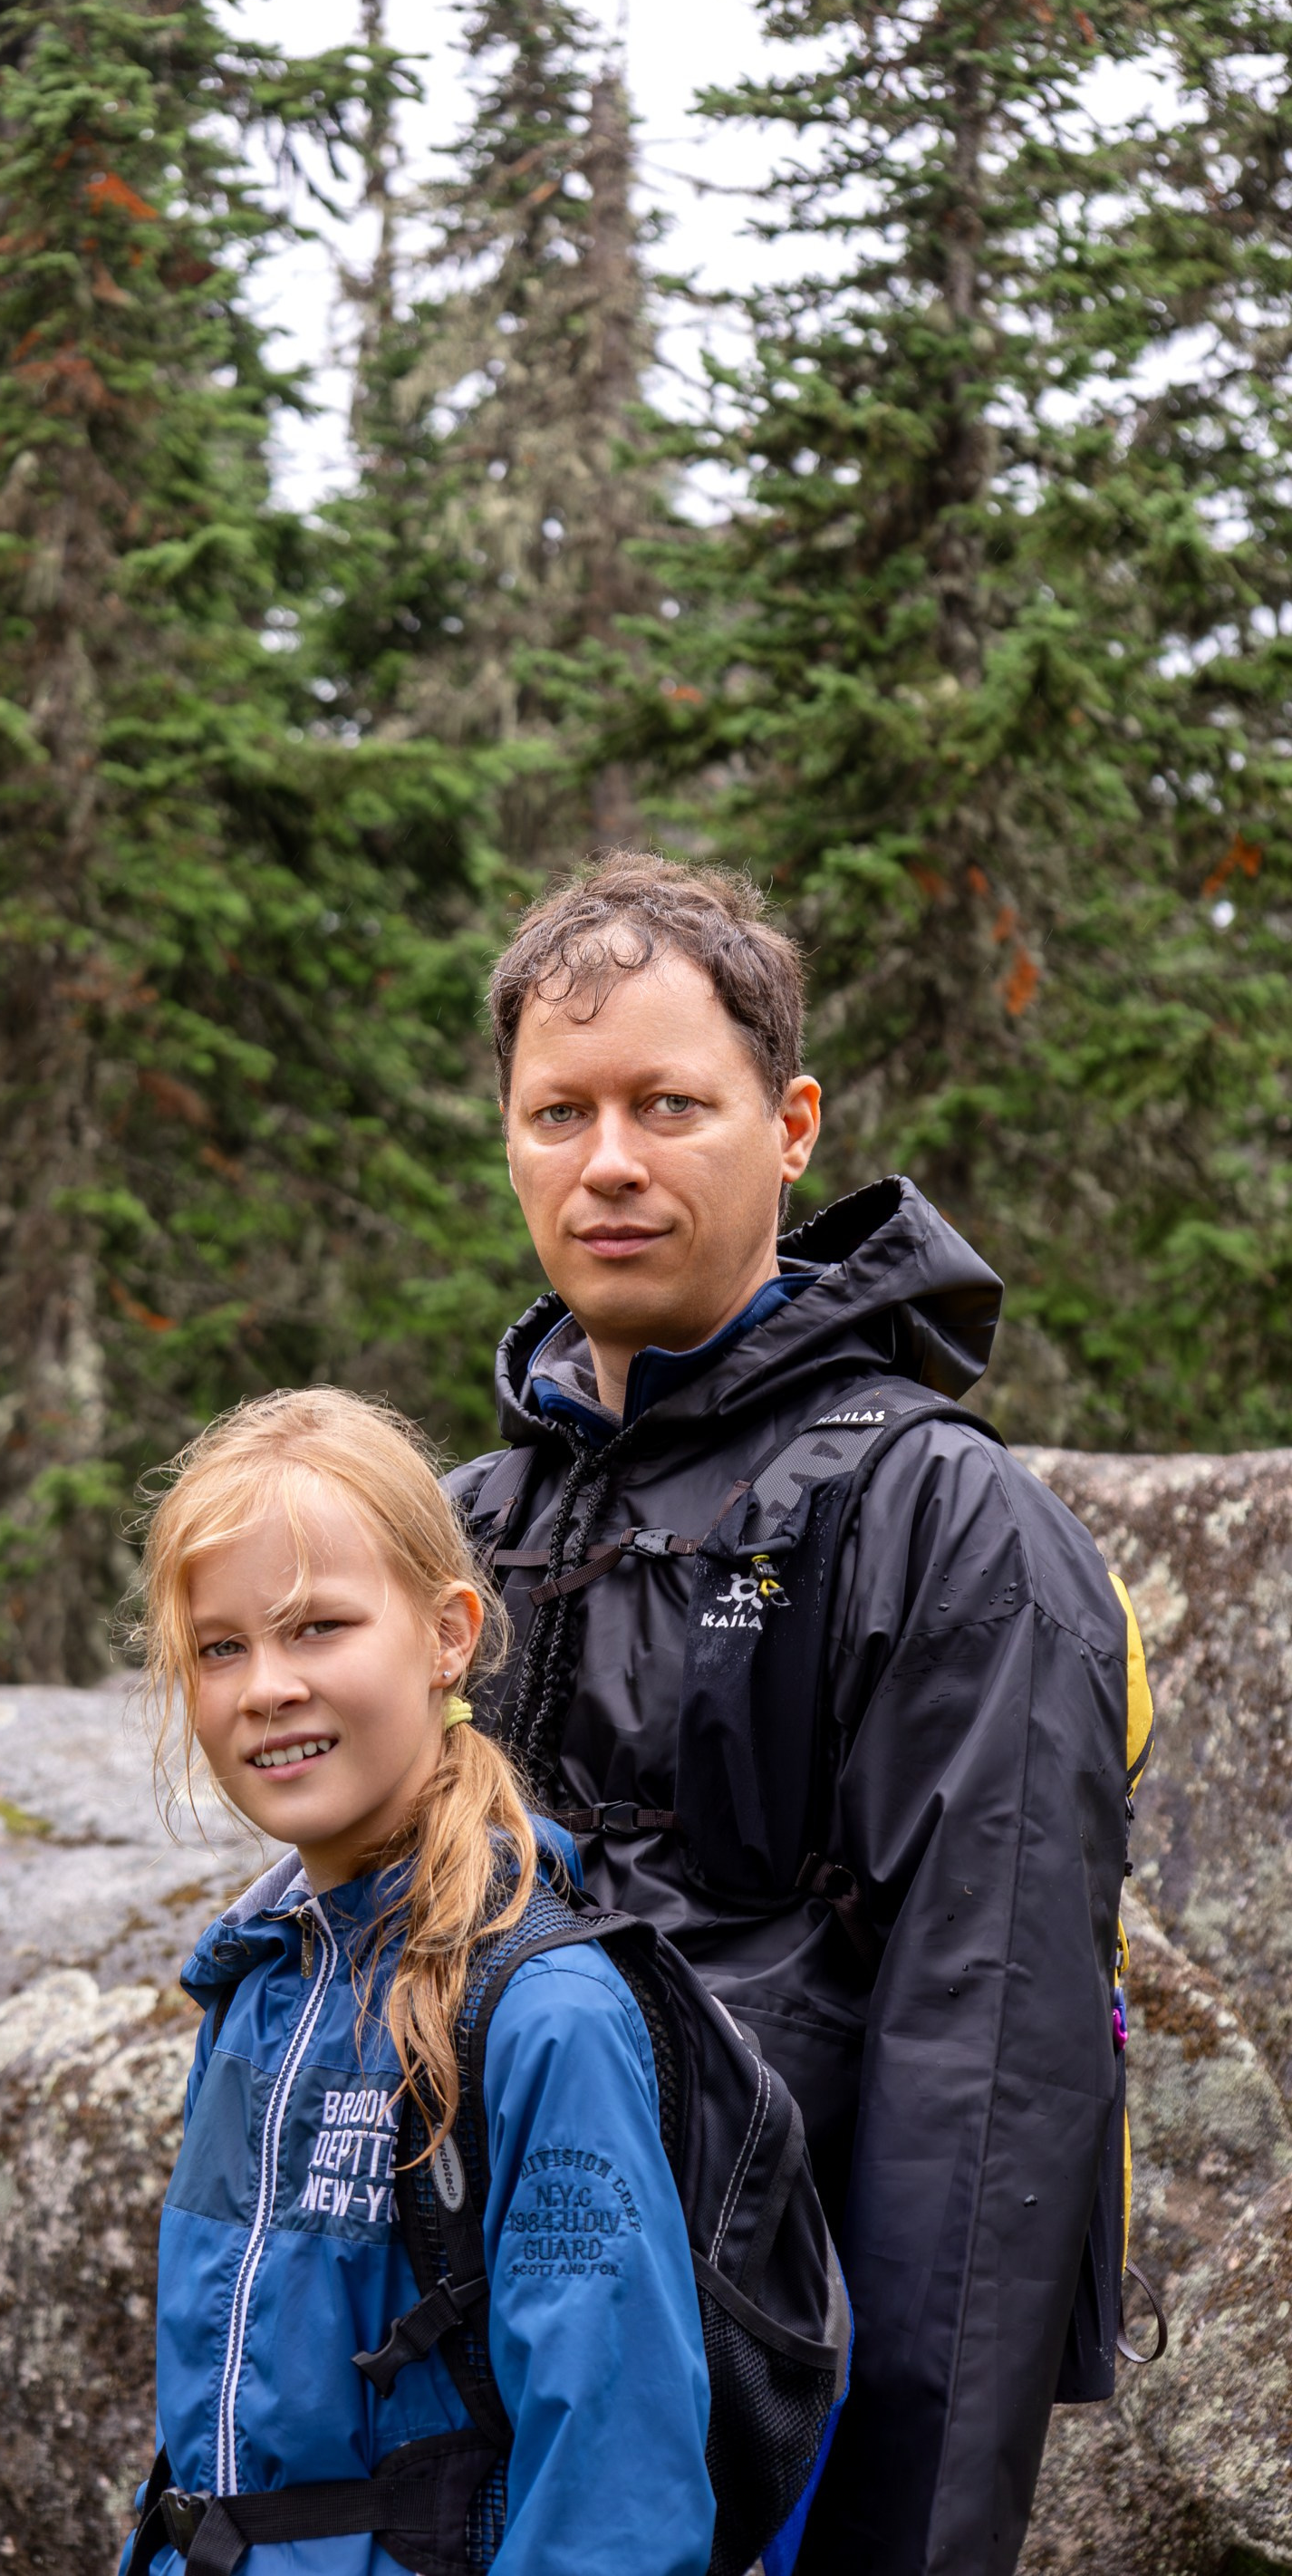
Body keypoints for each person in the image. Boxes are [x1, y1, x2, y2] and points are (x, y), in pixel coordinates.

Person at [448, 853, 1133, 2576]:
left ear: (793, 1122)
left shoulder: (943, 1523)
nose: (609, 1163)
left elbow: (988, 2072)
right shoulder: (459, 1531)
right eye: (559, 1113)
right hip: (479, 2382)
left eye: (671, 1104)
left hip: (782, 2395)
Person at [121, 1386, 717, 2576]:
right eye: (220, 1648)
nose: (267, 1688)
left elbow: (615, 2486)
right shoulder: (259, 1985)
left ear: (448, 1634)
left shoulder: (541, 2012)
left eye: (319, 1628)